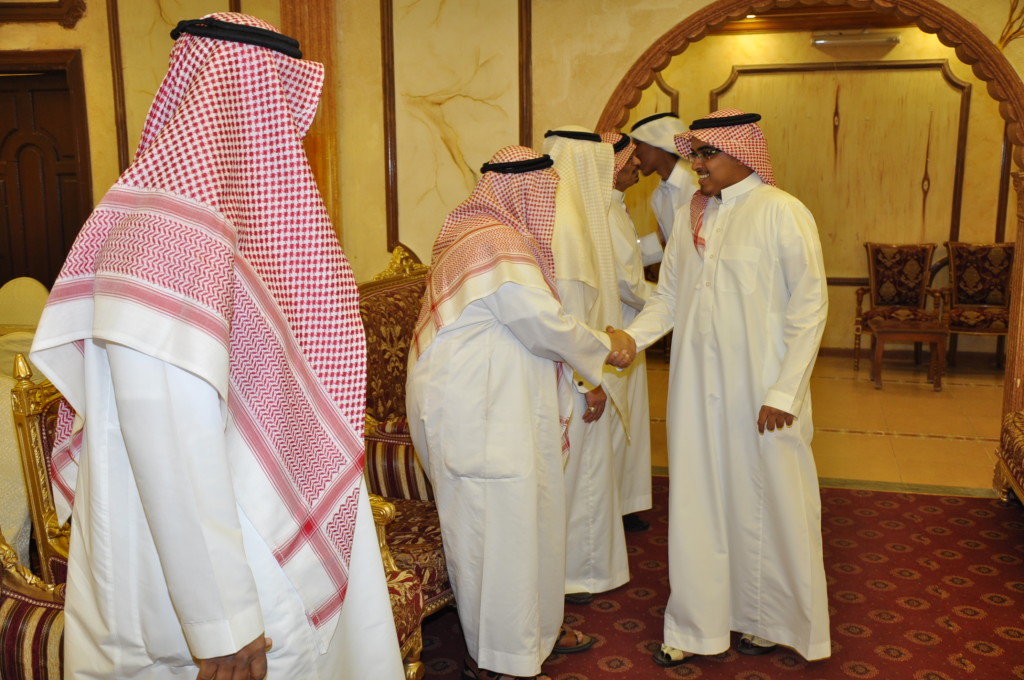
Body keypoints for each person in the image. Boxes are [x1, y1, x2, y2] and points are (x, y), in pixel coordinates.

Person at [30, 14, 405, 680]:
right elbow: (170, 435)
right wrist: (224, 625)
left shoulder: (222, 225)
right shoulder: (167, 236)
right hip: (224, 581)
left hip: (251, 535)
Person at [406, 145, 634, 680]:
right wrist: (608, 345)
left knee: (530, 522)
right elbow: (544, 325)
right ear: (523, 192)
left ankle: (535, 637)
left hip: (502, 407)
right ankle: (495, 660)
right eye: (547, 195)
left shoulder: (496, 239)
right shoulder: (495, 246)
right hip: (479, 417)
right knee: (496, 534)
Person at [618, 108, 831, 665]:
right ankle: (696, 626)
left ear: (742, 153)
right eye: (695, 155)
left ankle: (768, 620)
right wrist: (628, 341)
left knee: (772, 504)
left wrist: (784, 392)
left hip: (764, 393)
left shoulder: (783, 212)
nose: (697, 165)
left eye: (707, 154)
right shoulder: (693, 214)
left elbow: (810, 307)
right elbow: (668, 298)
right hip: (695, 391)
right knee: (698, 502)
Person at [541, 127, 630, 602]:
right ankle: (578, 575)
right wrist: (589, 381)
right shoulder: (570, 224)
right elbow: (572, 316)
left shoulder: (559, 210)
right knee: (582, 477)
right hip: (572, 376)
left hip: (563, 369)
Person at [600, 131, 654, 533]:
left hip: (632, 323)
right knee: (620, 416)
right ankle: (615, 506)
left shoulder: (615, 206)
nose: (637, 164)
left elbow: (630, 263)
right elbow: (628, 284)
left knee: (630, 416)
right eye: (629, 158)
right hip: (619, 326)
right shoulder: (604, 209)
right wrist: (672, 301)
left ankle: (625, 502)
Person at [628, 112, 700, 265]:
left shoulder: (698, 183)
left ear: (657, 143)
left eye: (637, 144)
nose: (635, 156)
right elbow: (670, 249)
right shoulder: (658, 197)